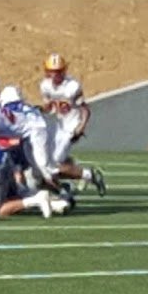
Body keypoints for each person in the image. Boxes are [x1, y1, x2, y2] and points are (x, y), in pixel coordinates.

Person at [40, 53, 106, 196]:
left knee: (54, 164)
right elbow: (49, 107)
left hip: (70, 126)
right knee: (46, 161)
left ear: (64, 70)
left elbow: (85, 110)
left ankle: (87, 176)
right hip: (56, 125)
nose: (54, 75)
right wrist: (38, 110)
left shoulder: (72, 86)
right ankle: (79, 175)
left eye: (58, 71)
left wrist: (80, 128)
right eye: (52, 71)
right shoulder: (45, 86)